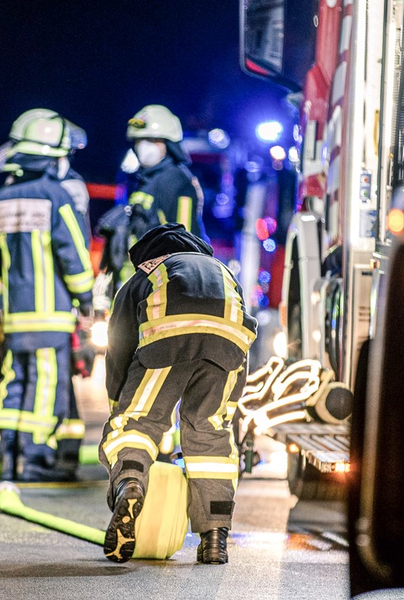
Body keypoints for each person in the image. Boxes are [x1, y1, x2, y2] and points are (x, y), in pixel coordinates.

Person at [99, 223, 257, 564]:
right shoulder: (222, 271)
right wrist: (228, 406)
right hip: (228, 346)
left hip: (166, 338)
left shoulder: (145, 275)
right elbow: (241, 331)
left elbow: (119, 348)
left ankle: (130, 484)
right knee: (210, 434)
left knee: (137, 424)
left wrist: (119, 404)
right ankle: (214, 538)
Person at [0, 108, 94, 482]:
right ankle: (35, 459)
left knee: (14, 384)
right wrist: (86, 298)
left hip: (15, 317)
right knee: (46, 389)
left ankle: (9, 454)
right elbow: (73, 254)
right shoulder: (56, 196)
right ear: (50, 157)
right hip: (51, 316)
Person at [97, 104, 208, 285]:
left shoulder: (177, 181)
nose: (144, 146)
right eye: (139, 140)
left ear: (168, 144)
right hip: (133, 285)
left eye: (152, 139)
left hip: (159, 287)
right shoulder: (140, 180)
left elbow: (186, 244)